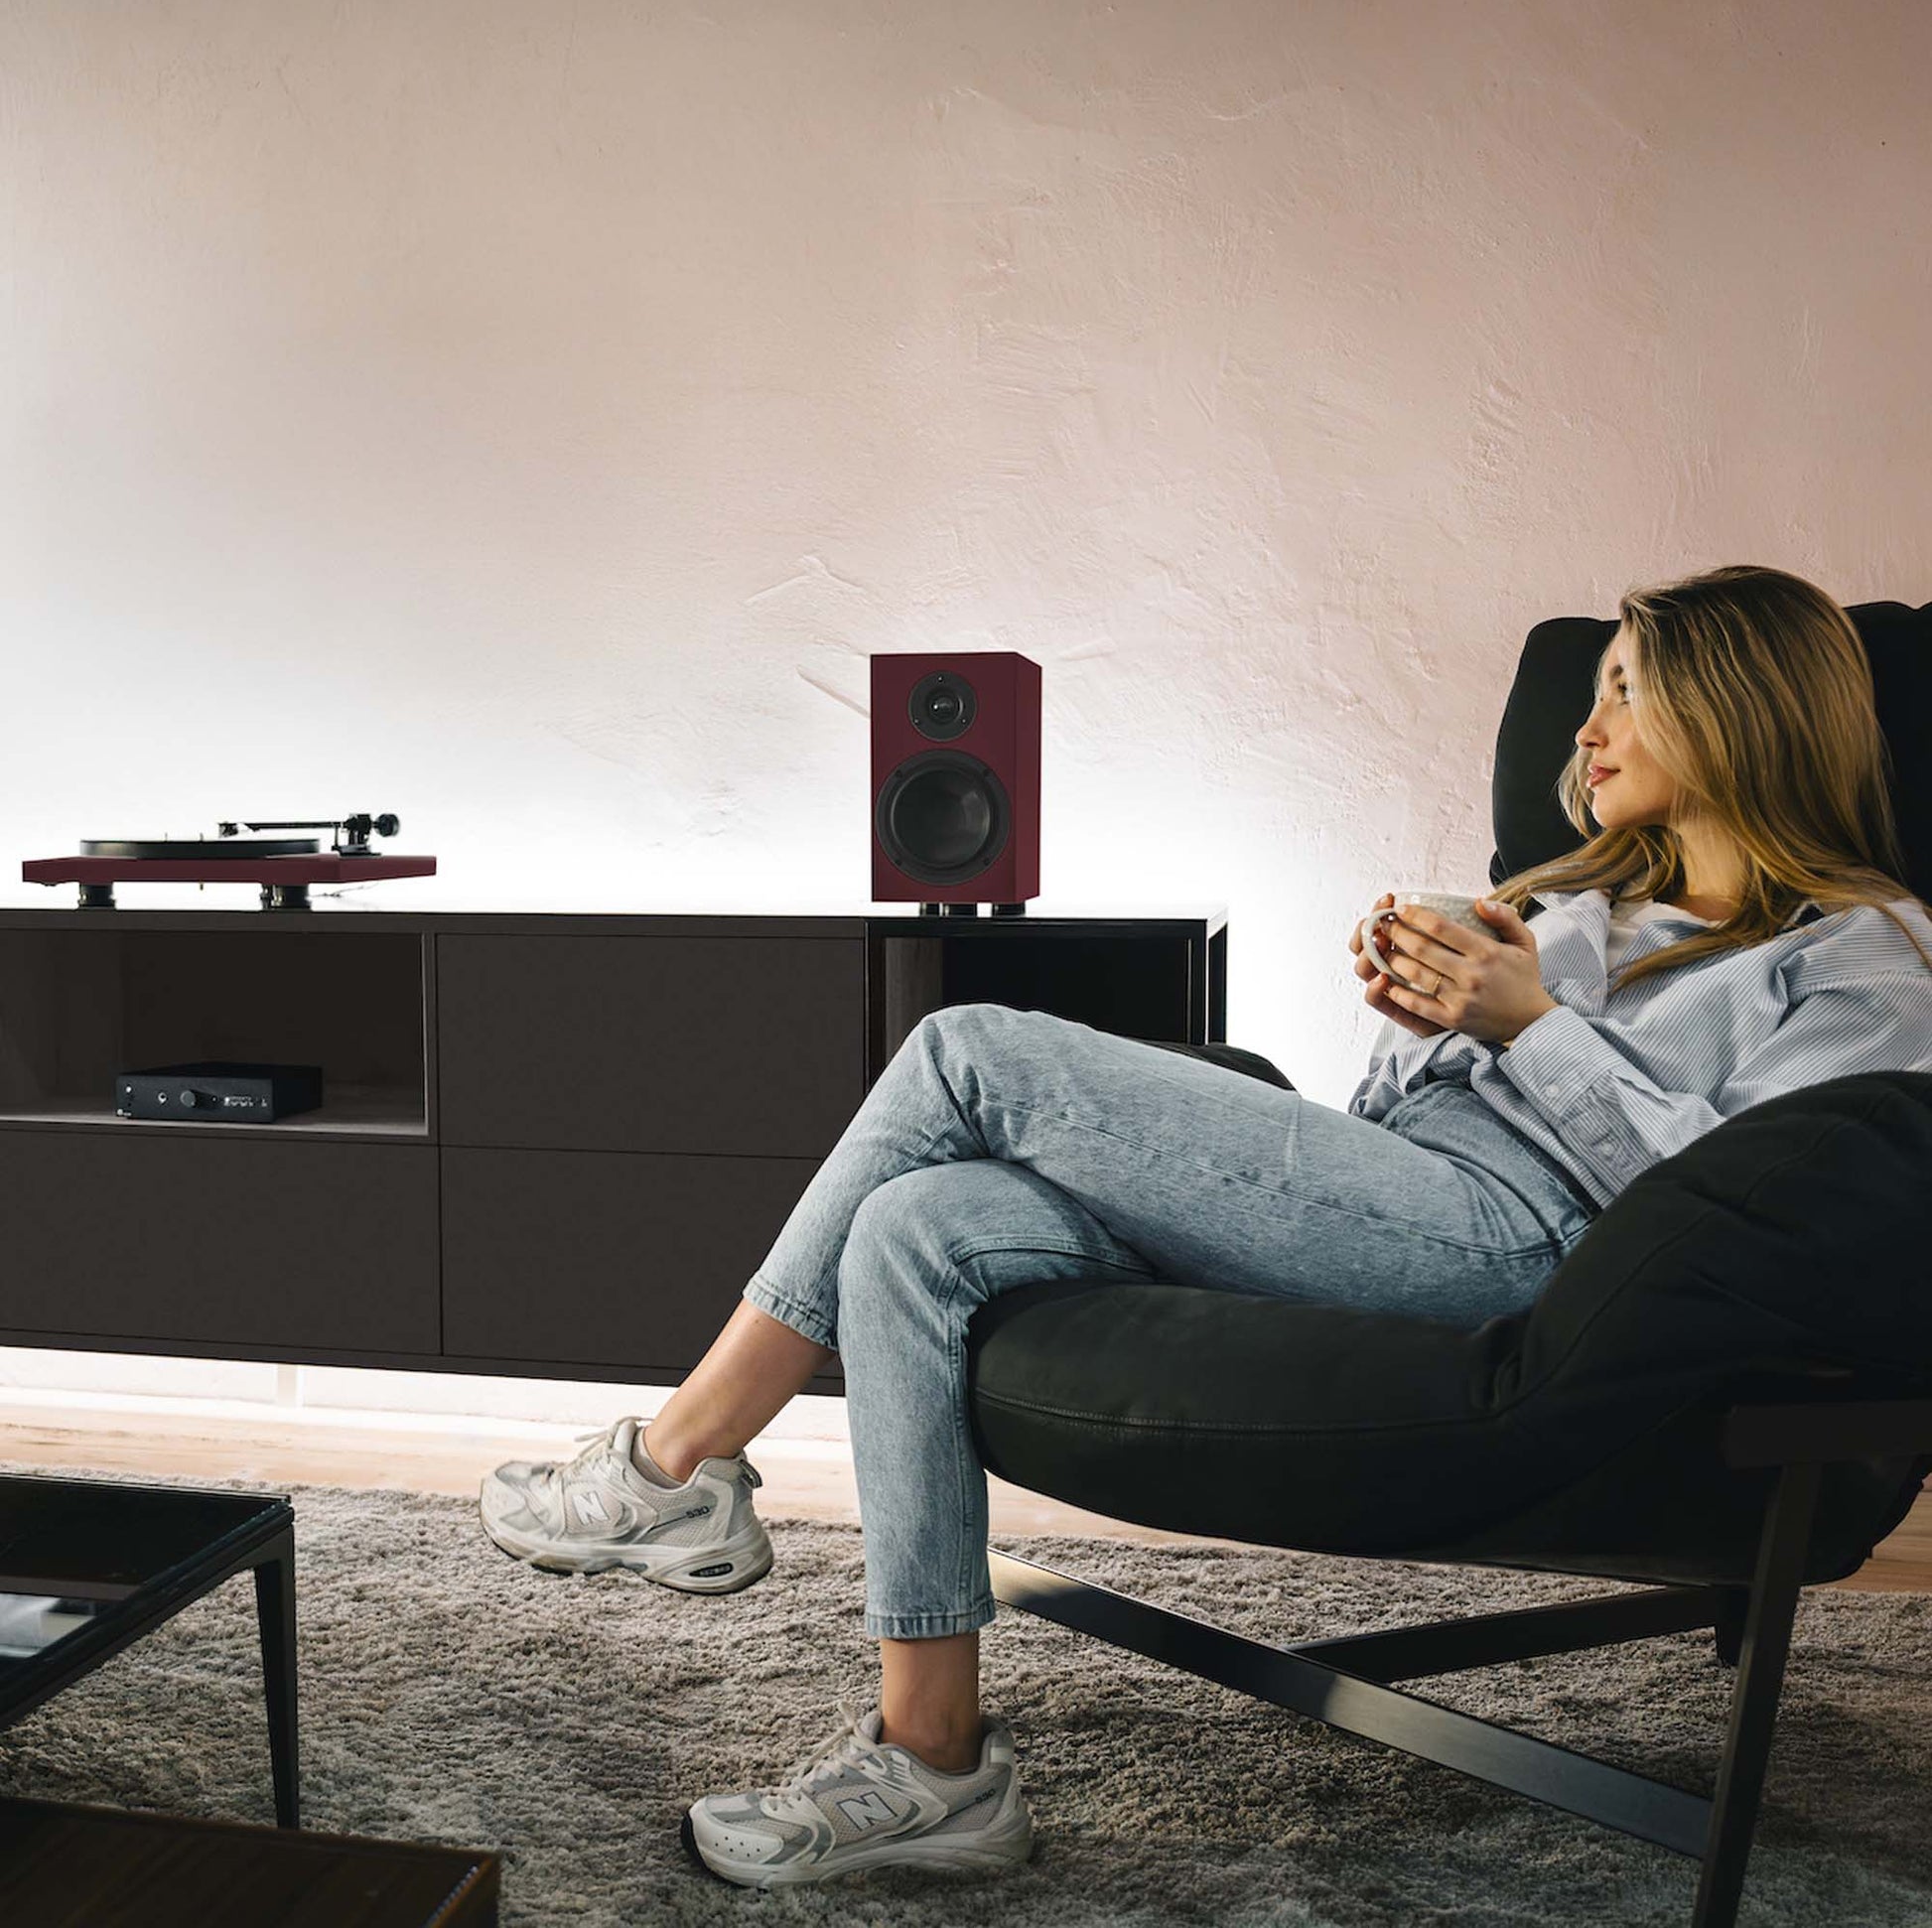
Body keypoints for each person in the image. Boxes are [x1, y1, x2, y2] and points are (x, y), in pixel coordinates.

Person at [479, 563, 1932, 1888]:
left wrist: (1532, 1026)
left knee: (965, 1049)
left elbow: (1752, 1204)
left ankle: (677, 1459)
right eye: (1597, 683)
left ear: (1737, 711)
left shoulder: (1863, 955)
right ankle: (933, 1764)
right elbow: (1392, 1129)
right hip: (1408, 1204)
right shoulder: (1564, 903)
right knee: (915, 1222)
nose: (1588, 723)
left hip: (1543, 1265)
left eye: (1626, 687)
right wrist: (1428, 1013)